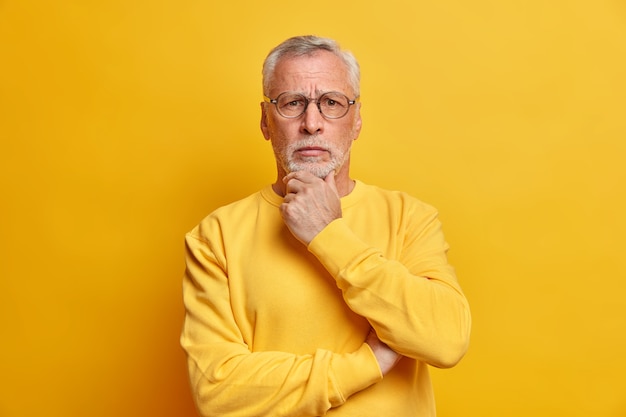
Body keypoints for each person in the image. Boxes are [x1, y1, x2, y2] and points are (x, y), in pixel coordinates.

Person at [180, 35, 471, 417]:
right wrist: (368, 363)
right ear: (266, 120)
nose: (312, 123)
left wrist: (328, 234)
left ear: (357, 120)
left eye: (332, 103)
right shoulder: (216, 235)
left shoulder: (409, 218)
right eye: (292, 103)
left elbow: (446, 341)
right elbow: (217, 393)